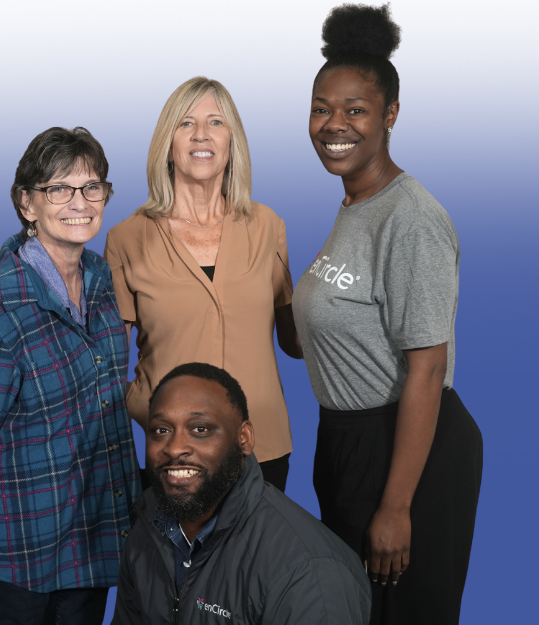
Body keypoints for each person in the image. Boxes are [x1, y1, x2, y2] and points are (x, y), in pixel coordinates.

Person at [291, 5, 483, 624]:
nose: (334, 124)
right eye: (321, 108)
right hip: (349, 443)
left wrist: (397, 507)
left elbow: (427, 369)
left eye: (355, 110)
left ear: (390, 114)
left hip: (407, 449)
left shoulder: (410, 218)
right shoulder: (355, 205)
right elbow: (319, 336)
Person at [0, 126, 141, 625]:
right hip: (17, 548)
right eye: (58, 189)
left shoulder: (100, 282)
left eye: (91, 187)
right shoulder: (4, 310)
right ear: (27, 203)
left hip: (90, 539)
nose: (79, 202)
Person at [105, 76, 302, 492]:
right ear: (168, 144)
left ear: (232, 142)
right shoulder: (127, 238)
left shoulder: (268, 226)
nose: (201, 134)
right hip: (175, 455)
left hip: (262, 447)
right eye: (185, 123)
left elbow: (295, 341)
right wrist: (148, 409)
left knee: (259, 539)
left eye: (216, 122)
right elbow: (108, 362)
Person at [113, 362, 371, 625]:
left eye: (200, 429)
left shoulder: (309, 571)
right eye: (161, 430)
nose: (175, 448)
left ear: (244, 438)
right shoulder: (147, 525)